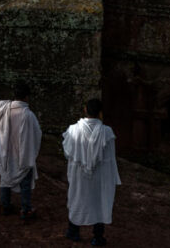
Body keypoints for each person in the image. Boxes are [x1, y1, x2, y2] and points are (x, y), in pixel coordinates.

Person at [63, 98, 121, 246]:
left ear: (85, 110)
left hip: (79, 175)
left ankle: (73, 231)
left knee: (77, 198)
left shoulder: (73, 130)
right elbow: (110, 158)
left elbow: (67, 153)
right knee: (99, 202)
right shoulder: (107, 132)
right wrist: (111, 179)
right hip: (100, 177)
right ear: (100, 113)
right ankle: (98, 236)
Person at [0, 81, 41, 220]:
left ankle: (5, 205)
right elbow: (37, 134)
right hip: (23, 154)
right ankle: (25, 209)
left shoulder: (4, 110)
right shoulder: (28, 115)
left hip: (6, 151)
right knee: (25, 182)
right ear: (27, 97)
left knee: (5, 178)